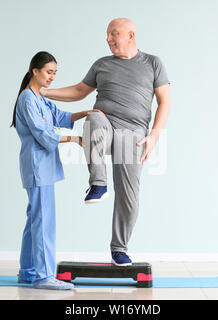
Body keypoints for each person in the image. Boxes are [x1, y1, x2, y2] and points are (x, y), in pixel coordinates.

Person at [41, 18, 171, 266]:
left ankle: (119, 249)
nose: (108, 39)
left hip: (133, 135)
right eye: (107, 35)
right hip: (104, 126)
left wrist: (154, 135)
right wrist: (45, 92)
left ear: (131, 35)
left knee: (128, 196)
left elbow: (165, 101)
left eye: (114, 34)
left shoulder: (153, 63)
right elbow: (80, 91)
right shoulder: (101, 65)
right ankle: (98, 184)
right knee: (94, 117)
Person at [11, 51, 103, 289]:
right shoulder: (27, 99)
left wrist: (86, 113)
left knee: (35, 218)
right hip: (36, 166)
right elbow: (42, 133)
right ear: (35, 71)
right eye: (49, 72)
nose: (52, 77)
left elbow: (59, 116)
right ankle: (43, 276)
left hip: (44, 167)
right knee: (43, 222)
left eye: (54, 73)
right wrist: (73, 139)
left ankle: (28, 271)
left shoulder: (39, 98)